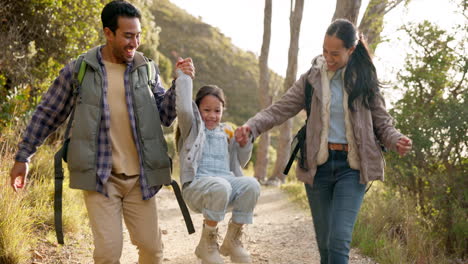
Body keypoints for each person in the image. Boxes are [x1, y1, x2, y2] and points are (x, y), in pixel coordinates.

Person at [9, 1, 195, 263]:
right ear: (108, 33)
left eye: (138, 35)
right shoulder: (79, 70)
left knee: (152, 251)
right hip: (101, 177)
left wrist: (179, 83)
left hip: (140, 178)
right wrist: (23, 156)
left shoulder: (147, 69)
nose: (135, 42)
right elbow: (47, 113)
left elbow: (164, 115)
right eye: (128, 36)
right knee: (108, 253)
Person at [235, 19, 412, 264]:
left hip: (352, 169)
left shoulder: (364, 80)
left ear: (351, 50)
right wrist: (251, 126)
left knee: (339, 240)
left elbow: (382, 123)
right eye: (325, 51)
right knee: (326, 246)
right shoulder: (311, 79)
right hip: (317, 168)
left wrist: (397, 140)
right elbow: (280, 109)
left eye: (335, 53)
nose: (328, 57)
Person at [174, 70, 260, 264]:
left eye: (217, 111)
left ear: (222, 111)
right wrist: (183, 77)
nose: (212, 116)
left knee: (252, 185)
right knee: (221, 185)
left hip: (225, 185)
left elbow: (241, 162)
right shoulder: (192, 128)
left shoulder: (227, 131)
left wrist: (244, 143)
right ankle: (208, 243)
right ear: (197, 110)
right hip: (197, 186)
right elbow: (185, 110)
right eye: (206, 110)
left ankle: (232, 240)